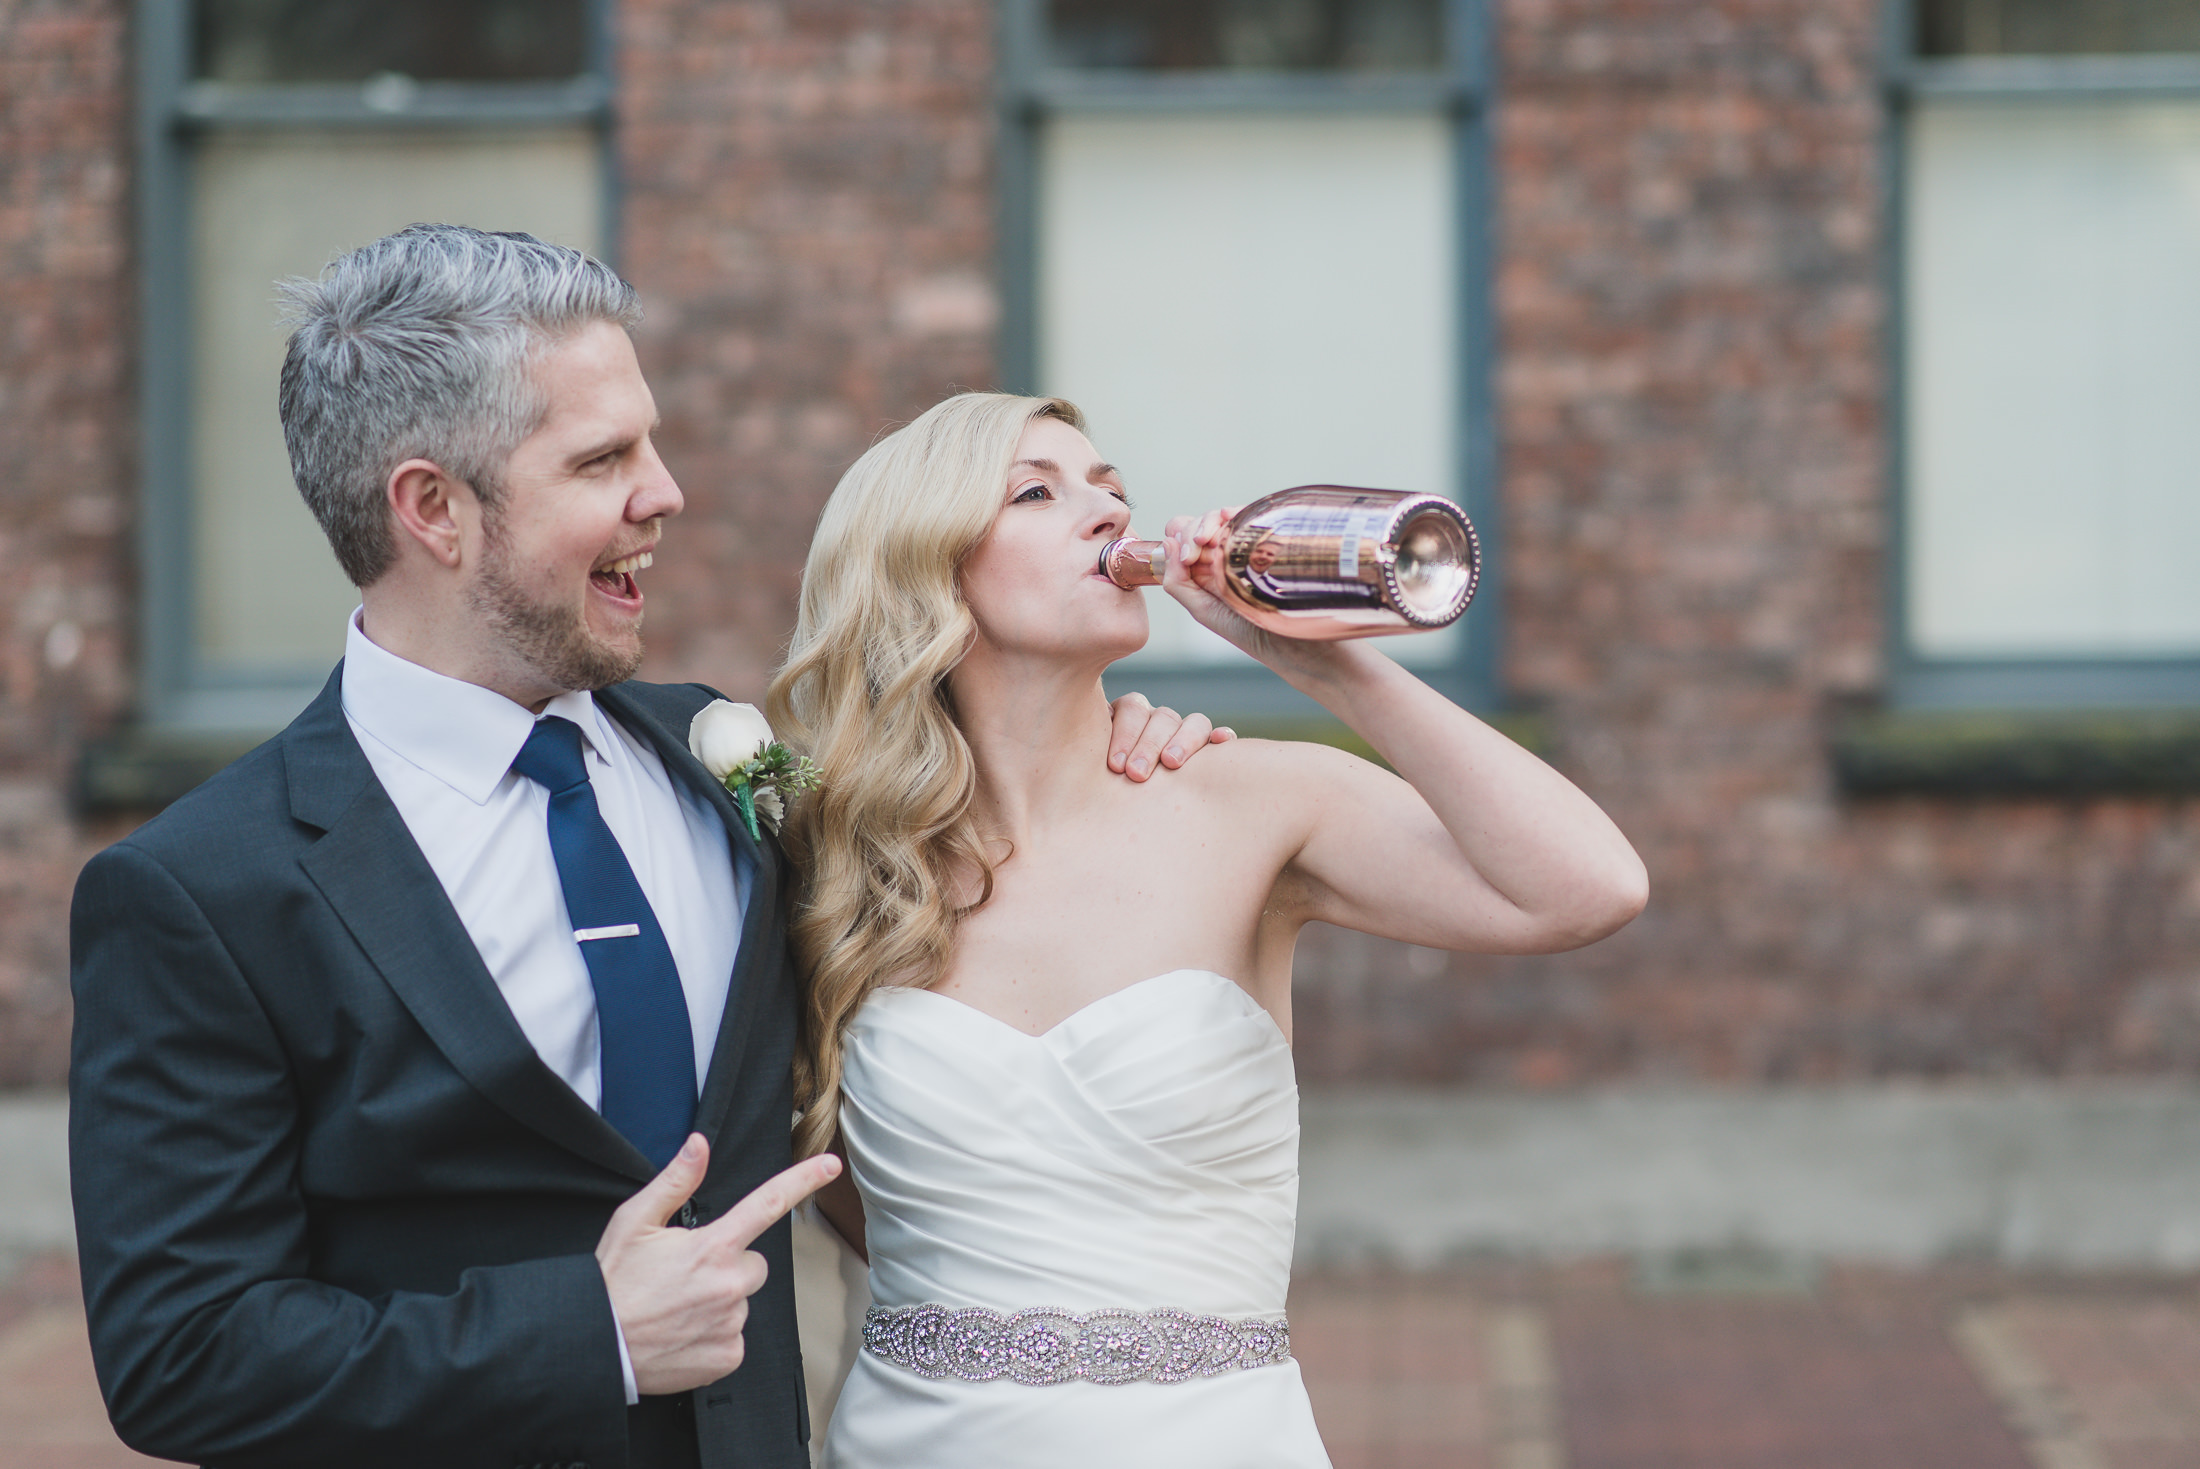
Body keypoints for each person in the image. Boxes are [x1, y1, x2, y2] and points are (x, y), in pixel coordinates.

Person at [67, 227, 1221, 1469]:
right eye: (603, 458)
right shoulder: (201, 889)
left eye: (651, 442)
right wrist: (588, 1335)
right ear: (434, 509)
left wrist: (1106, 741)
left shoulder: (727, 758)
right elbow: (181, 1353)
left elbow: (940, 858)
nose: (664, 491)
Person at [765, 392, 1650, 1468]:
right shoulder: (835, 857)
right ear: (925, 565)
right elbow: (854, 1203)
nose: (1103, 513)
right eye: (1038, 492)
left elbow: (1589, 885)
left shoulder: (1250, 801)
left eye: (1113, 491)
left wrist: (1318, 664)